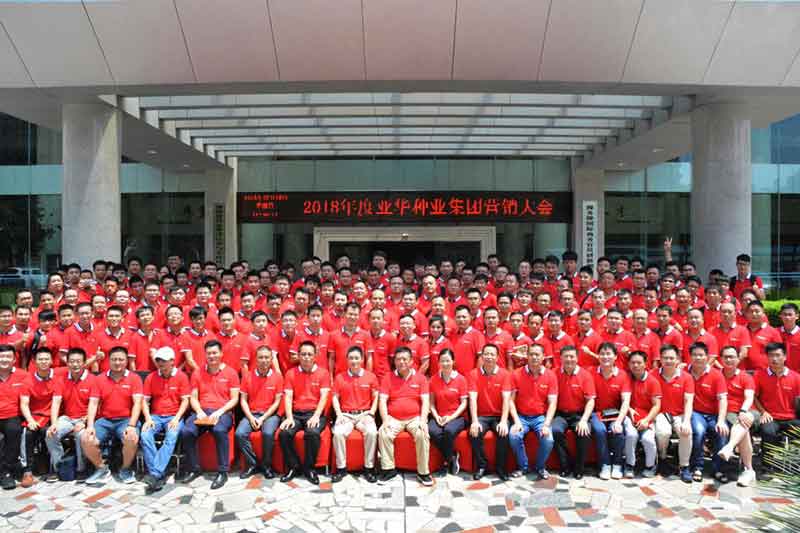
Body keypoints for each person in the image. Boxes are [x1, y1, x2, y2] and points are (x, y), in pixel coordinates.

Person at [178, 340, 240, 490]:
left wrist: (220, 412)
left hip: (222, 411)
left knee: (219, 430)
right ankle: (194, 468)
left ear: (221, 353)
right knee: (187, 431)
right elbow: (193, 397)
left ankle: (223, 472)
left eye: (215, 353)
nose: (212, 356)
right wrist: (199, 411)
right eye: (209, 353)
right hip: (202, 410)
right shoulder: (198, 373)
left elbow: (234, 399)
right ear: (205, 355)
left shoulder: (231, 373)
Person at [82, 346, 143, 485]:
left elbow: (137, 403)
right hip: (105, 420)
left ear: (126, 361)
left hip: (126, 420)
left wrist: (132, 425)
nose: (117, 362)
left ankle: (125, 469)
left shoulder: (134, 378)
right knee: (86, 439)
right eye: (114, 359)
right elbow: (93, 403)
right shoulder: (100, 379)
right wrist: (90, 426)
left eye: (121, 359)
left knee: (131, 438)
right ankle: (102, 469)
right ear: (109, 361)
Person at [377, 347, 433, 486]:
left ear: (411, 361)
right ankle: (388, 470)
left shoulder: (421, 378)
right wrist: (385, 420)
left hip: (414, 418)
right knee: (384, 432)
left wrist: (423, 420)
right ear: (394, 361)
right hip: (394, 418)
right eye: (398, 359)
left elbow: (425, 401)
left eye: (404, 359)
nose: (401, 362)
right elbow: (382, 400)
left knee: (422, 433)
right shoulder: (387, 378)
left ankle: (423, 472)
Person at [279, 341, 331, 485]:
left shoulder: (323, 373)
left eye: (309, 354)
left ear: (315, 356)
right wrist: (289, 417)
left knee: (312, 433)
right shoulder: (291, 373)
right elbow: (288, 397)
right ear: (298, 355)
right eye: (303, 354)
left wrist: (316, 416)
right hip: (296, 413)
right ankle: (293, 467)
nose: (306, 357)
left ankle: (309, 468)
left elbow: (324, 397)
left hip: (314, 413)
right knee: (284, 433)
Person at [140, 347, 191, 492]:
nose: (160, 363)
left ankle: (154, 474)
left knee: (171, 436)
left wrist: (176, 419)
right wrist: (148, 418)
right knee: (145, 434)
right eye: (158, 360)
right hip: (155, 416)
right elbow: (145, 400)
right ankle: (157, 474)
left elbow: (185, 401)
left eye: (163, 360)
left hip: (174, 416)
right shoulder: (151, 377)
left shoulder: (181, 377)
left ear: (172, 361)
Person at [508, 343, 557, 480]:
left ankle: (540, 467)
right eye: (531, 354)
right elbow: (510, 400)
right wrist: (516, 421)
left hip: (540, 417)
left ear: (543, 357)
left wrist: (546, 424)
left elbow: (552, 403)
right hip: (521, 416)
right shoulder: (516, 374)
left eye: (537, 354)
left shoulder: (550, 376)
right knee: (513, 435)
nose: (534, 357)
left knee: (548, 439)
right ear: (527, 356)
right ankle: (523, 467)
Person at [331, 346, 379, 483]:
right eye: (351, 358)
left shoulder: (371, 377)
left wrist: (372, 413)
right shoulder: (340, 377)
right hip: (346, 415)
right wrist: (339, 414)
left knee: (372, 432)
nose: (354, 361)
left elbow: (376, 396)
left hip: (364, 414)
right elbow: (334, 397)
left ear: (362, 359)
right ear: (347, 360)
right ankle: (341, 468)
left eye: (357, 358)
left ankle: (369, 468)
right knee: (338, 433)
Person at [236, 345, 283, 480]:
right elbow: (243, 400)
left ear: (271, 359)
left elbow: (277, 402)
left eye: (267, 357)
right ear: (256, 359)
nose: (264, 360)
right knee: (240, 433)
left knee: (267, 433)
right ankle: (253, 464)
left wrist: (263, 418)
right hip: (252, 413)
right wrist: (251, 417)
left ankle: (266, 466)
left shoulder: (277, 377)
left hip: (270, 415)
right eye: (261, 357)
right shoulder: (247, 376)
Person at [467, 343, 512, 481]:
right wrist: (474, 421)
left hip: (498, 416)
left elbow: (506, 399)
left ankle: (500, 467)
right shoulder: (473, 374)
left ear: (497, 357)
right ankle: (482, 466)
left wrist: (504, 421)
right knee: (474, 433)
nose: (489, 357)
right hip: (482, 416)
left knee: (504, 433)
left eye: (492, 354)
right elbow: (472, 399)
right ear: (481, 356)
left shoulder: (505, 374)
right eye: (486, 354)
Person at [552, 345, 596, 480]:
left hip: (579, 414)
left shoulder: (585, 375)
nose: (569, 359)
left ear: (577, 358)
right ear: (560, 358)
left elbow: (590, 401)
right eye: (566, 356)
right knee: (555, 430)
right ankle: (565, 465)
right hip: (560, 414)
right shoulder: (554, 373)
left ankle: (579, 468)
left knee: (583, 432)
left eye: (572, 356)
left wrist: (584, 420)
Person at [716, 346, 758, 487]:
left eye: (732, 357)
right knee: (743, 428)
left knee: (743, 421)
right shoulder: (717, 375)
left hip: (748, 410)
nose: (729, 360)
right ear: (721, 359)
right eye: (726, 357)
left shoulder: (745, 377)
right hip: (727, 413)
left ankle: (729, 447)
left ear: (738, 359)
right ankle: (749, 470)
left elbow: (749, 397)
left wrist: (743, 411)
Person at [686, 342, 728, 482]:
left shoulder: (716, 375)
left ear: (707, 357)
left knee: (721, 432)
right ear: (690, 356)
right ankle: (697, 467)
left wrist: (721, 421)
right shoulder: (684, 372)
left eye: (701, 355)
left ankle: (718, 469)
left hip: (713, 414)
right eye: (695, 355)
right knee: (698, 432)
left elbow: (723, 399)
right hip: (695, 413)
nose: (698, 358)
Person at [591, 342, 632, 480]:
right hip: (597, 413)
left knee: (617, 430)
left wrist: (619, 421)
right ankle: (605, 464)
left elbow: (625, 401)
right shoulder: (592, 373)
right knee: (599, 430)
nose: (605, 357)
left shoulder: (623, 375)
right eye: (602, 354)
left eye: (608, 354)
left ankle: (617, 464)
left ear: (615, 357)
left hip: (615, 413)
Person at [654, 344, 694, 483]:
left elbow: (688, 401)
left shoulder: (686, 377)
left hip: (680, 414)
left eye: (672, 358)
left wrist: (686, 421)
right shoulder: (653, 375)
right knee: (663, 433)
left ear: (677, 359)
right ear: (660, 359)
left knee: (686, 432)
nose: (668, 361)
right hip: (661, 413)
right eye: (665, 358)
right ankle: (662, 458)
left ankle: (684, 466)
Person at [19, 347, 59, 486]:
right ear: (35, 362)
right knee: (27, 434)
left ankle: (53, 468)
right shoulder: (27, 380)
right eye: (40, 359)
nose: (43, 361)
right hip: (34, 415)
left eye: (46, 359)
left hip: (51, 416)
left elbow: (56, 403)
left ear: (51, 361)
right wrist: (30, 420)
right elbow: (24, 403)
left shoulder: (57, 379)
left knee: (50, 433)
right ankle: (27, 471)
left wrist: (54, 423)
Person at [754, 343, 800, 460]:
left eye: (778, 355)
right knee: (768, 432)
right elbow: (754, 397)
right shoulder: (759, 375)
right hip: (770, 417)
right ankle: (768, 465)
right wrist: (763, 412)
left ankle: (795, 463)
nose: (774, 359)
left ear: (785, 357)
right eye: (771, 355)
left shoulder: (796, 377)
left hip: (791, 418)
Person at [428, 348, 468, 476]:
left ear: (453, 362)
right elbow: (431, 403)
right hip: (439, 415)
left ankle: (446, 462)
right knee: (432, 431)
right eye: (442, 361)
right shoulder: (433, 379)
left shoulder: (461, 379)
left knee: (448, 431)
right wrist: (436, 416)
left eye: (448, 361)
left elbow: (464, 404)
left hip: (457, 416)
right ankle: (452, 456)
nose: (445, 364)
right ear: (438, 362)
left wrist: (451, 417)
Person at [624, 351, 661, 478]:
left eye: (639, 362)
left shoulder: (653, 382)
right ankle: (629, 465)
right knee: (631, 435)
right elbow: (622, 400)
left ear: (645, 364)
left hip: (647, 417)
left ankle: (650, 465)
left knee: (647, 439)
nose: (635, 365)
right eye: (633, 362)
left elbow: (656, 405)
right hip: (630, 416)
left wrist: (646, 420)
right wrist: (628, 409)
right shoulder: (626, 378)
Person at [0, 344, 27, 489]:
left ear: (14, 359)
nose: (4, 359)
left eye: (8, 356)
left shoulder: (23, 376)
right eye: (1, 356)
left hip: (13, 415)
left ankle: (6, 472)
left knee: (14, 431)